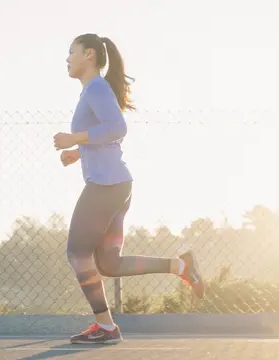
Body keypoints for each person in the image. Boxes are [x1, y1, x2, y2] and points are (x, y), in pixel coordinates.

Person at [53, 33, 205, 345]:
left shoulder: (95, 88)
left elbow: (118, 128)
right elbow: (110, 136)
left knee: (78, 253)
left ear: (90, 55)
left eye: (72, 52)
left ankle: (106, 327)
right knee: (108, 263)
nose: (67, 58)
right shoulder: (93, 91)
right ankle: (181, 265)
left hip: (106, 186)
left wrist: (75, 139)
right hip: (117, 185)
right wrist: (79, 153)